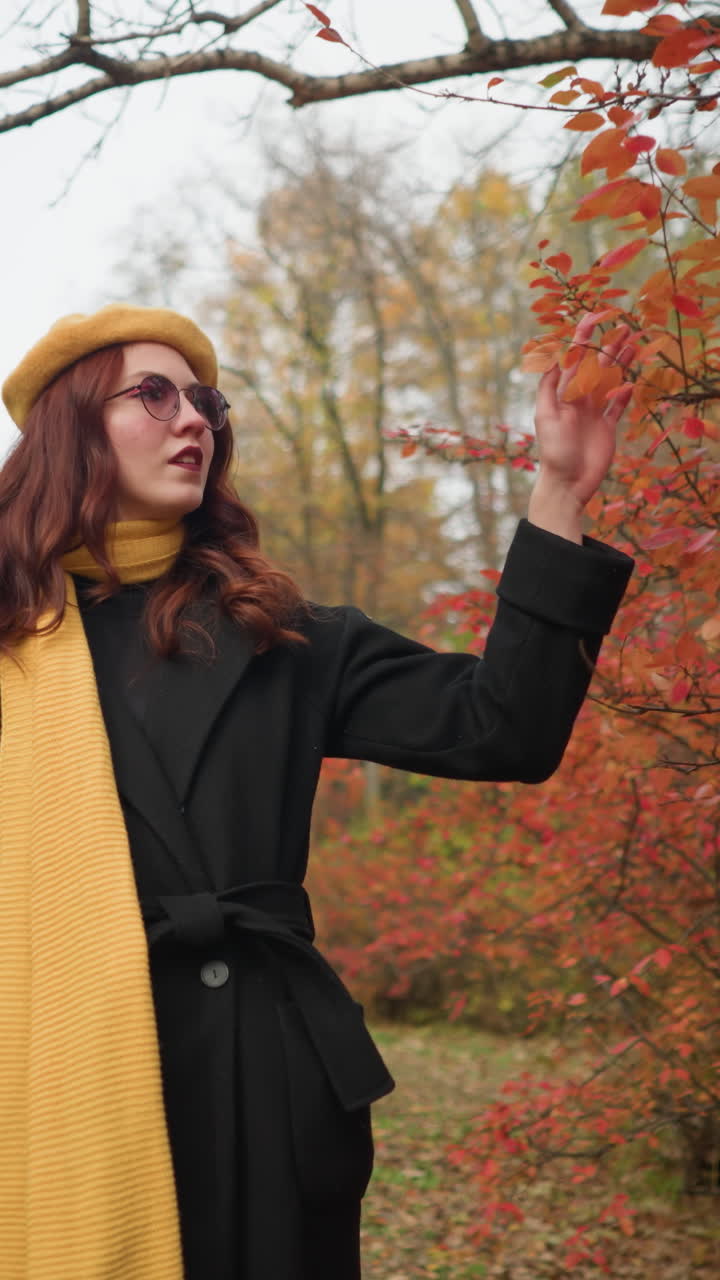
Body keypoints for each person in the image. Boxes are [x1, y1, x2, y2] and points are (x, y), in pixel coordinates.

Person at [0, 304, 634, 1280]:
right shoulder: (10, 646)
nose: (194, 418)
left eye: (205, 401)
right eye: (154, 394)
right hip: (68, 1083)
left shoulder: (280, 632)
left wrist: (560, 491)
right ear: (70, 425)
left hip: (268, 1087)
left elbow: (503, 724)